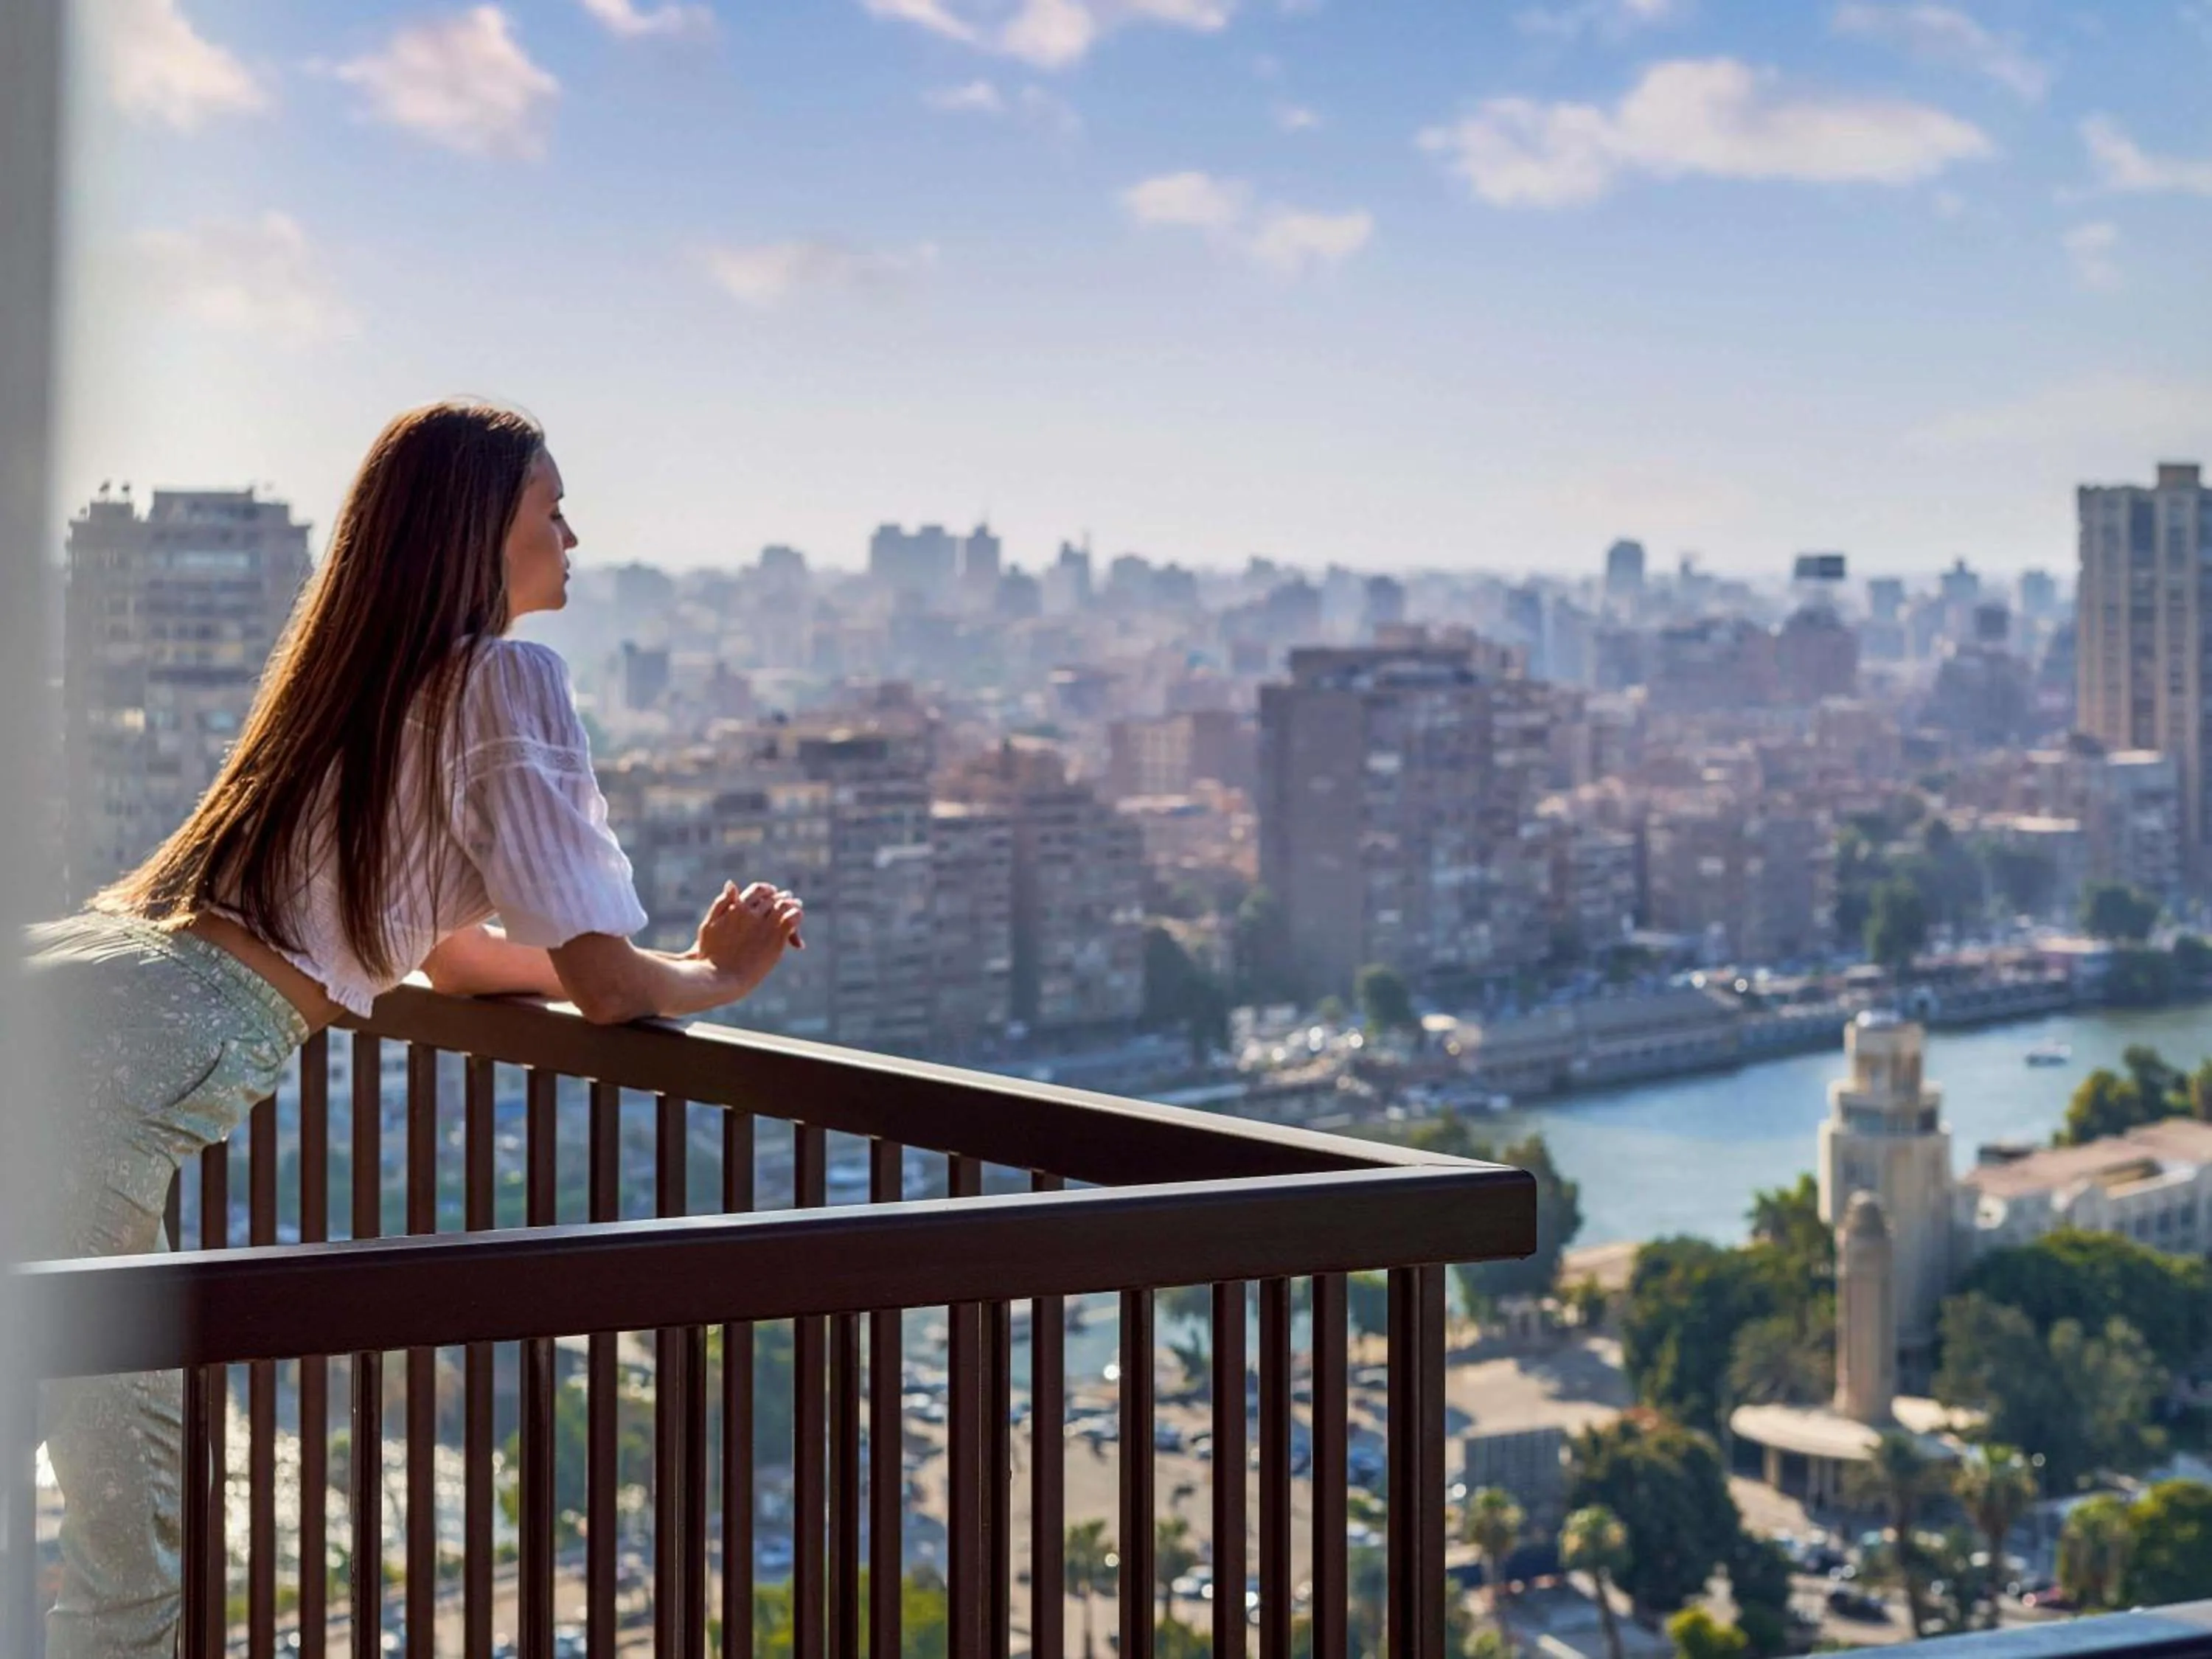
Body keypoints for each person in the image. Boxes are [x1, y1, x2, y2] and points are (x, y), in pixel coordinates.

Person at [23, 400, 803, 1658]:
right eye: (553, 511)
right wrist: (716, 975)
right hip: (123, 1069)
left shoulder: (353, 680)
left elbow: (449, 955)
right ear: (478, 531)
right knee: (141, 1544)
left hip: (80, 988)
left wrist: (644, 969)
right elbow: (604, 985)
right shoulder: (506, 676)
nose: (574, 537)